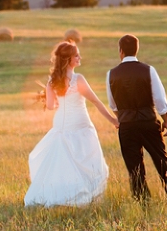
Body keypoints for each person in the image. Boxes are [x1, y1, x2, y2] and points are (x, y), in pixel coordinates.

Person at [24, 42, 119, 207]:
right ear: (69, 59)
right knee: (85, 158)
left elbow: (51, 106)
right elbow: (95, 101)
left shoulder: (52, 81)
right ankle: (83, 194)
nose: (79, 58)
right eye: (76, 55)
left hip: (61, 124)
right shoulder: (78, 79)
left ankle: (61, 193)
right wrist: (112, 120)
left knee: (63, 161)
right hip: (80, 124)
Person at [107, 34, 167, 200]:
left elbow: (113, 105)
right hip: (148, 122)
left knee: (134, 167)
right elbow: (160, 99)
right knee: (161, 161)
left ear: (120, 51)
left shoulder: (111, 74)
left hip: (127, 126)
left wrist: (123, 117)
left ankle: (143, 201)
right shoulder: (148, 70)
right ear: (136, 49)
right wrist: (166, 121)